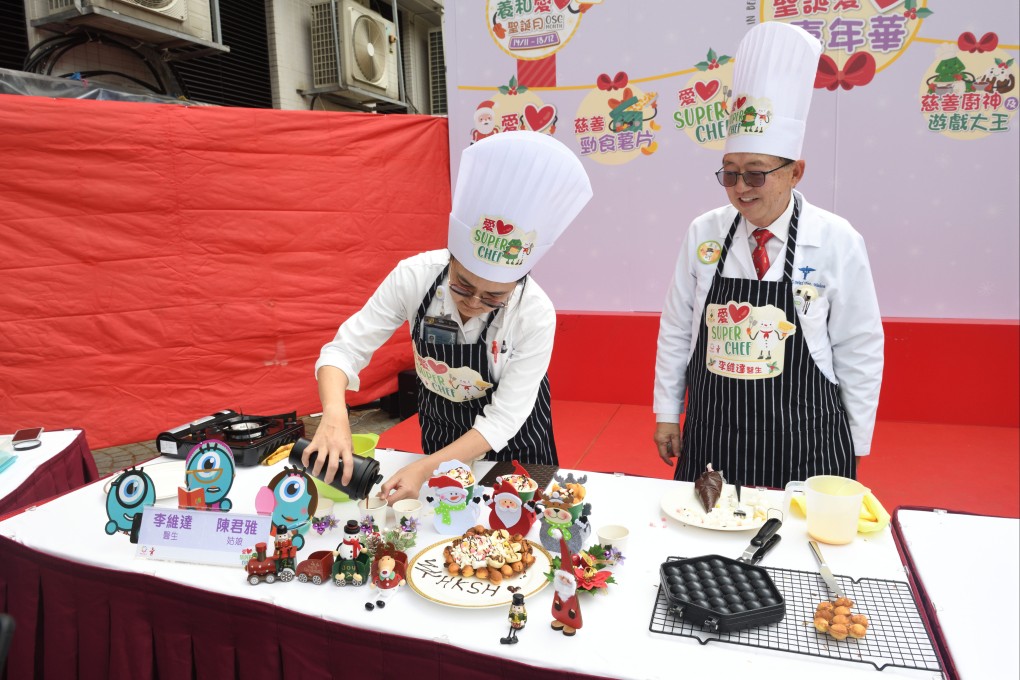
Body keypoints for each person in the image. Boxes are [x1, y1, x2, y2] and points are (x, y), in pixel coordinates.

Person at [653, 22, 884, 488]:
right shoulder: (705, 233)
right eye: (730, 173)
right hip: (714, 432)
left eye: (756, 175)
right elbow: (678, 328)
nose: (740, 188)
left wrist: (856, 444)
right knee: (704, 546)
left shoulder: (836, 239)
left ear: (795, 172)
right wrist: (666, 412)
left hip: (805, 437)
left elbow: (859, 346)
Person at [305, 131, 593, 502]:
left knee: (516, 541)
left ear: (517, 283)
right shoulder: (414, 276)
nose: (473, 302)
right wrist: (334, 415)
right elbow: (344, 350)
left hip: (516, 448)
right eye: (462, 285)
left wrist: (424, 470)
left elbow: (503, 420)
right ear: (451, 258)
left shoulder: (535, 313)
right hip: (442, 432)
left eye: (493, 297)